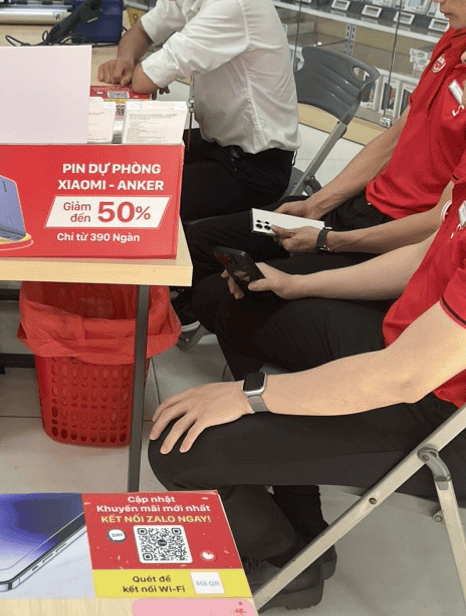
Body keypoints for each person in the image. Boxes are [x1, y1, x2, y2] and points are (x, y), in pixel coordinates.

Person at [147, 191, 466, 610]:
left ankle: (290, 562)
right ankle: (300, 515)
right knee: (248, 306)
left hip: (441, 418)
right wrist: (295, 285)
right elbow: (425, 256)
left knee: (180, 447)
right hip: (406, 345)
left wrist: (250, 396)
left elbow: (404, 378)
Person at [180, 0, 466, 335]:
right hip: (358, 210)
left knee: (227, 293)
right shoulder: (453, 40)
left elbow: (437, 222)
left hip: (392, 241)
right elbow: (393, 138)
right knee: (202, 244)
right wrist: (317, 206)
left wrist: (325, 241)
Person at [97, 0, 300, 221]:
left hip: (253, 169)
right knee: (120, 158)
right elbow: (141, 31)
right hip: (216, 144)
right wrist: (125, 60)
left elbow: (145, 80)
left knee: (139, 194)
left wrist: (141, 71)